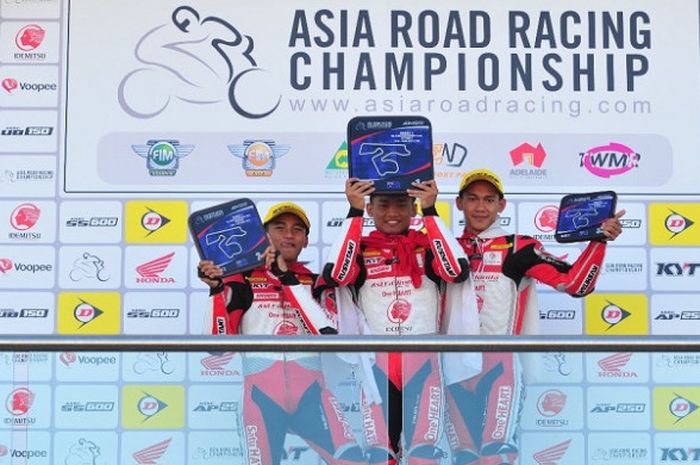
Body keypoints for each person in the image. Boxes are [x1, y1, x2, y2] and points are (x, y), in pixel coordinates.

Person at [447, 169, 624, 465]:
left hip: (498, 366)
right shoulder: (446, 249)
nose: (480, 207)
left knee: (495, 454)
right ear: (459, 203)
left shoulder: (519, 247)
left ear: (501, 205)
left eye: (489, 200)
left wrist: (599, 241)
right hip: (452, 367)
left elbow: (577, 285)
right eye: (473, 199)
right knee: (463, 457)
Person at [322, 179, 479, 465]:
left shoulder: (426, 246)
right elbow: (337, 275)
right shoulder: (360, 249)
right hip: (377, 368)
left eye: (401, 205)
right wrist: (353, 213)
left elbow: (456, 270)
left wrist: (431, 211)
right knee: (381, 456)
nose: (392, 212)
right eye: (383, 205)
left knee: (423, 454)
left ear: (412, 209)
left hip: (425, 366)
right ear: (371, 208)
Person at [198, 201, 365, 465]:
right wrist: (216, 291)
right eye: (280, 227)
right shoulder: (242, 281)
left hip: (312, 395)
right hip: (261, 400)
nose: (289, 234)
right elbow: (217, 345)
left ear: (306, 241)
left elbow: (327, 334)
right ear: (264, 236)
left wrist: (287, 279)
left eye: (297, 229)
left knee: (354, 461)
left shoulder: (314, 282)